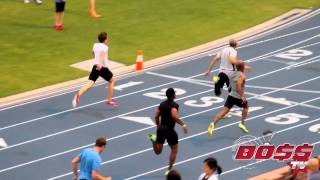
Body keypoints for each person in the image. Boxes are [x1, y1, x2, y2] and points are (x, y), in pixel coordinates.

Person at [72, 32, 119, 108]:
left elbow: (93, 53)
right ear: (105, 40)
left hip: (95, 67)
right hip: (102, 68)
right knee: (112, 80)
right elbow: (102, 54)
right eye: (107, 38)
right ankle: (109, 100)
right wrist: (100, 63)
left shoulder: (95, 45)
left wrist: (97, 61)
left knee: (90, 83)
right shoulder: (105, 47)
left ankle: (78, 95)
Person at [148, 88, 188, 175]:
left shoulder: (162, 104)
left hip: (161, 128)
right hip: (170, 130)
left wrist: (158, 126)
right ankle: (169, 170)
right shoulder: (174, 105)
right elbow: (174, 116)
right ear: (173, 95)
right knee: (174, 150)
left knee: (158, 151)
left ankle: (154, 141)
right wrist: (183, 124)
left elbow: (156, 116)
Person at [208, 61, 249, 135]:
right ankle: (242, 123)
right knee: (246, 107)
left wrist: (216, 80)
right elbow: (238, 85)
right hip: (238, 97)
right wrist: (242, 96)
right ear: (242, 67)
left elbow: (227, 81)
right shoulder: (242, 76)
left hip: (231, 95)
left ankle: (212, 124)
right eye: (244, 65)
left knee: (224, 111)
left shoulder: (232, 73)